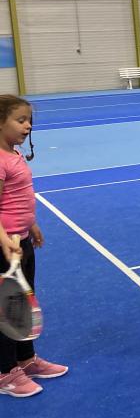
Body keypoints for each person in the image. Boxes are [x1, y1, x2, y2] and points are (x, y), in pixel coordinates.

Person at [0, 96, 66, 398]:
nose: (28, 126)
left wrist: (32, 225)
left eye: (29, 120)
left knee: (23, 304)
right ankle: (5, 373)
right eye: (20, 120)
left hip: (21, 240)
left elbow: (17, 199)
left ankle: (25, 359)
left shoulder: (13, 153)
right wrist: (5, 240)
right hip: (6, 246)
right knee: (7, 308)